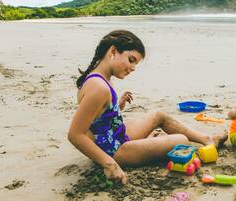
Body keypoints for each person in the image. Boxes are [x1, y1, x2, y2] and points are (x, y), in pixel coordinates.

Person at [68, 30, 227, 185]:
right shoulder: (99, 87)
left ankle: (206, 138)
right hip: (113, 151)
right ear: (113, 51)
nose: (133, 68)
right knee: (181, 140)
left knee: (158, 115)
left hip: (115, 136)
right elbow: (75, 134)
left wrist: (115, 107)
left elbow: (96, 119)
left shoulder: (99, 78)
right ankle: (151, 144)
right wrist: (110, 164)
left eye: (135, 63)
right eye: (131, 60)